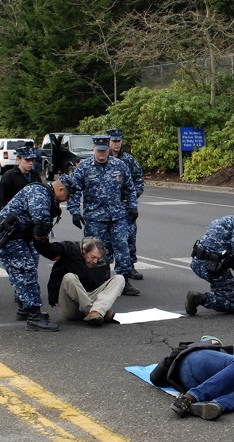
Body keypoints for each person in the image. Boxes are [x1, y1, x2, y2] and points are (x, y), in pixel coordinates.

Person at [0, 175, 75, 331]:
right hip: (9, 237)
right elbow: (41, 222)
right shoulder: (40, 194)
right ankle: (34, 316)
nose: (66, 200)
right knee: (25, 271)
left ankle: (25, 308)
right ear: (61, 189)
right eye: (67, 196)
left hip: (19, 236)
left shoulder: (45, 194)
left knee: (22, 271)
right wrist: (42, 242)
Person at [67, 134, 140, 296]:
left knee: (122, 248)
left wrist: (133, 206)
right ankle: (97, 281)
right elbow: (74, 191)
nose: (102, 153)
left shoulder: (119, 165)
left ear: (108, 149)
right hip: (95, 218)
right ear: (93, 149)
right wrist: (74, 212)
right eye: (99, 150)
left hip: (118, 216)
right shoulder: (84, 167)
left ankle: (123, 280)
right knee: (95, 251)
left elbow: (130, 187)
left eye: (105, 150)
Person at [34, 236, 125, 326]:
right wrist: (40, 237)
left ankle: (96, 311)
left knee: (119, 279)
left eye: (98, 258)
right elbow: (48, 250)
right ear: (84, 252)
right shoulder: (70, 248)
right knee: (69, 277)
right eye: (92, 257)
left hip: (89, 295)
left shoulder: (102, 261)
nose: (95, 261)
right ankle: (97, 311)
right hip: (71, 305)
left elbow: (104, 286)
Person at [106, 128, 145, 280]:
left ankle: (130, 266)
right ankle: (104, 269)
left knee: (129, 237)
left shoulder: (128, 159)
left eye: (119, 141)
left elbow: (139, 179)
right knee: (106, 240)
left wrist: (132, 198)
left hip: (125, 206)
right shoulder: (102, 158)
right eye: (114, 141)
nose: (117, 144)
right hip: (107, 207)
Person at [0, 145, 43, 211]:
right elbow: (1, 198)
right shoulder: (9, 176)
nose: (31, 163)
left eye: (32, 160)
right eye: (27, 160)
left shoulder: (35, 175)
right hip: (14, 213)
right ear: (19, 159)